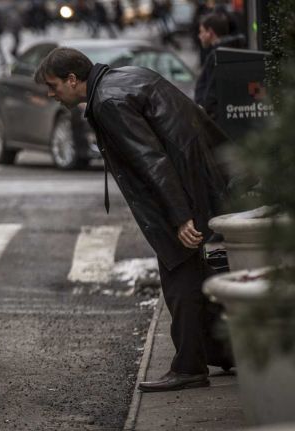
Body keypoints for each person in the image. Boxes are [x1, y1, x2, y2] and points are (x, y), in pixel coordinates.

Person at [35, 47, 233, 391]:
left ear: (72, 79)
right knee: (194, 274)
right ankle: (225, 352)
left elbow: (151, 160)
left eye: (53, 86)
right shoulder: (121, 79)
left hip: (186, 190)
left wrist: (181, 216)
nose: (51, 94)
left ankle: (189, 368)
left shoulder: (108, 102)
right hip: (199, 178)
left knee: (180, 276)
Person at [194, 13, 230, 120]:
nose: (199, 36)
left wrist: (206, 109)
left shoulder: (216, 56)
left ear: (210, 32)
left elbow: (212, 91)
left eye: (201, 31)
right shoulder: (223, 53)